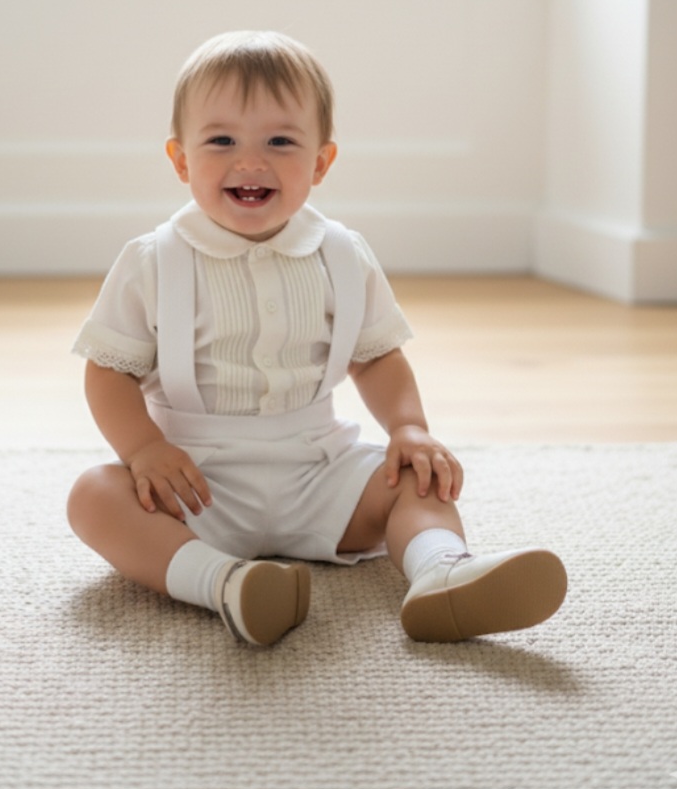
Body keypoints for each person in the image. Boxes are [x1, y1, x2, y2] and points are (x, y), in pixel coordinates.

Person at [67, 31, 566, 647]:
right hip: (196, 485)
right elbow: (107, 371)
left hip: (318, 470)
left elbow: (377, 355)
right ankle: (224, 582)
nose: (250, 161)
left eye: (280, 141)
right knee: (95, 496)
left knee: (415, 480)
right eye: (222, 140)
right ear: (180, 160)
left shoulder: (342, 254)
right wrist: (143, 449)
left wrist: (408, 427)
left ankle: (440, 574)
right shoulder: (152, 260)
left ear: (322, 162)